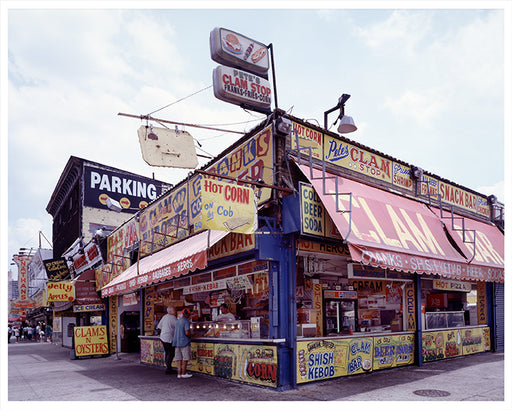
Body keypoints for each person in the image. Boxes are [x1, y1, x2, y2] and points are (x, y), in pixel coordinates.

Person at [172, 308, 193, 379]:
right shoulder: (186, 322)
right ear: (187, 315)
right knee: (185, 358)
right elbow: (187, 333)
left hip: (177, 342)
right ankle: (183, 373)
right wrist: (192, 335)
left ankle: (179, 374)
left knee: (179, 359)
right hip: (184, 342)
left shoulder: (177, 321)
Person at [157, 306, 177, 375]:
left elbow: (159, 327)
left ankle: (168, 367)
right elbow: (178, 327)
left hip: (163, 337)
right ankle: (168, 369)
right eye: (174, 310)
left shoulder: (164, 317)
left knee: (167, 352)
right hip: (169, 338)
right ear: (170, 311)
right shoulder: (173, 318)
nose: (176, 311)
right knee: (171, 352)